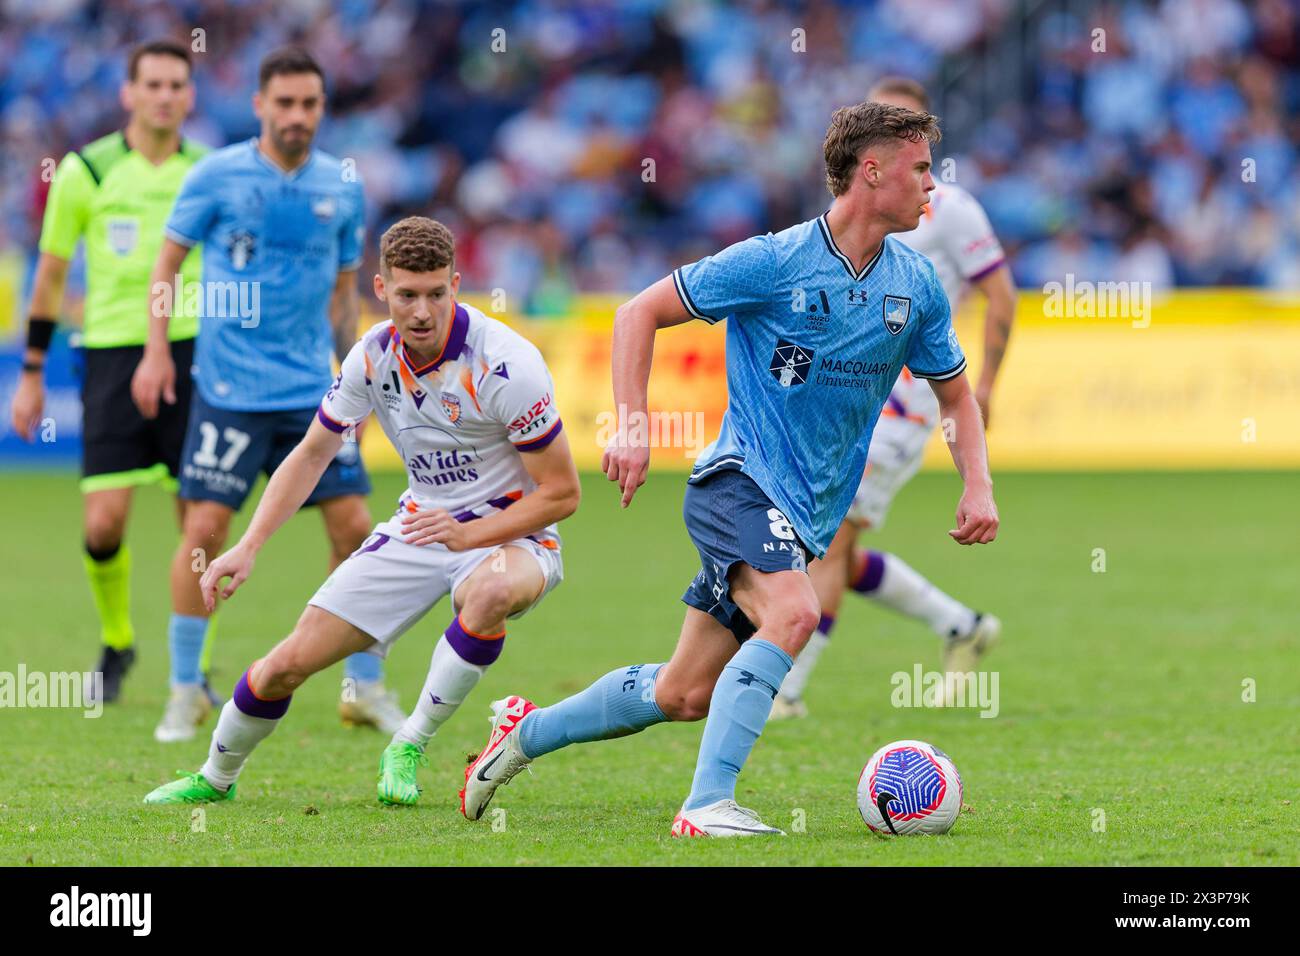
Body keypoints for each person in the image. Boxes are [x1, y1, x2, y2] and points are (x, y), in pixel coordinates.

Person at [460, 101, 999, 837]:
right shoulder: (773, 261)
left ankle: (521, 734)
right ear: (872, 172)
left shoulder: (918, 286)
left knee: (683, 692)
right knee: (797, 611)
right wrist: (631, 426)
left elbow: (958, 399)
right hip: (736, 483)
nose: (933, 185)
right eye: (921, 168)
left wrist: (978, 484)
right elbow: (635, 313)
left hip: (805, 515)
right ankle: (707, 805)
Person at [142, 216, 579, 806]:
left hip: (514, 537)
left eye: (435, 294)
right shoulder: (371, 358)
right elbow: (311, 453)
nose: (422, 312)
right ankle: (214, 778)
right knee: (284, 666)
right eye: (406, 295)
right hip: (421, 526)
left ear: (456, 283)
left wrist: (469, 531)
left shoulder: (506, 365)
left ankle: (408, 743)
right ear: (381, 289)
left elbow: (562, 494)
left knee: (491, 594)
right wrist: (247, 546)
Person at [130, 47, 393, 741]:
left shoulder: (342, 184)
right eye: (285, 103)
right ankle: (186, 689)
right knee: (204, 535)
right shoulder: (215, 176)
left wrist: (357, 382)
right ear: (259, 105)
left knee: (356, 531)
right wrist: (157, 350)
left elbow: (344, 297)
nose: (298, 116)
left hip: (312, 392)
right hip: (229, 390)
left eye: (310, 104)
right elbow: (167, 263)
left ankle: (360, 684)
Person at [772, 76, 1017, 719]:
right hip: (852, 396)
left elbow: (1001, 294)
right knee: (836, 549)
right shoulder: (850, 213)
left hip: (906, 401)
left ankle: (787, 691)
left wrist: (983, 384)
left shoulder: (951, 207)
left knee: (826, 545)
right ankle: (961, 624)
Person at [10, 39, 207, 703]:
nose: (163, 95)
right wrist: (32, 371)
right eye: (151, 84)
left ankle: (193, 667)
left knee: (200, 525)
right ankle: (118, 640)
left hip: (193, 351)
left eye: (176, 84)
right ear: (128, 94)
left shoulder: (210, 171)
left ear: (190, 95)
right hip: (111, 354)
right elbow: (52, 273)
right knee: (103, 525)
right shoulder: (85, 172)